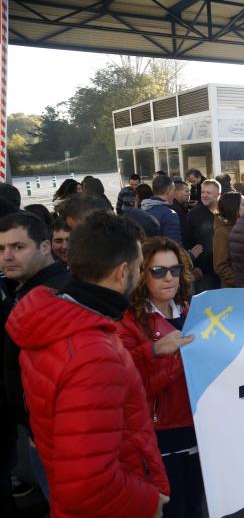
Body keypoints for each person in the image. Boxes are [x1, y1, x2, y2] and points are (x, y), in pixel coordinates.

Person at [6, 211, 170, 518]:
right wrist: (148, 502)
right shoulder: (92, 353)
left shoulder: (56, 320)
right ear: (123, 272)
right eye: (139, 266)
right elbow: (87, 485)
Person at [117, 237, 201, 518]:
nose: (169, 278)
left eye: (175, 270)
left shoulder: (192, 310)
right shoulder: (128, 321)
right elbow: (133, 388)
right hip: (161, 434)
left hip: (199, 426)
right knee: (174, 509)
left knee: (196, 504)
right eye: (158, 271)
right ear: (141, 273)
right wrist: (167, 355)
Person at [0, 213, 71, 500]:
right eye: (1, 249)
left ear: (44, 247)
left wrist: (34, 425)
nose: (7, 257)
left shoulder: (55, 295)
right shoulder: (25, 290)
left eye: (18, 247)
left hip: (56, 438)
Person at [184, 179, 221, 292]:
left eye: (208, 193)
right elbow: (186, 241)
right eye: (202, 192)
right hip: (204, 273)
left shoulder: (226, 212)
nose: (204, 195)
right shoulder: (193, 215)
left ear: (218, 195)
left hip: (225, 271)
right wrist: (193, 266)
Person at [213, 192, 244, 288]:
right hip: (233, 289)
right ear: (234, 208)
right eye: (243, 205)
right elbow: (220, 266)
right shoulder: (222, 232)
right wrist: (241, 281)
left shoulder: (240, 225)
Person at [141, 175, 183, 244]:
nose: (174, 193)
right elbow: (174, 245)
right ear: (168, 191)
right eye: (173, 190)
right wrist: (190, 254)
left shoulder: (141, 210)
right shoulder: (169, 215)